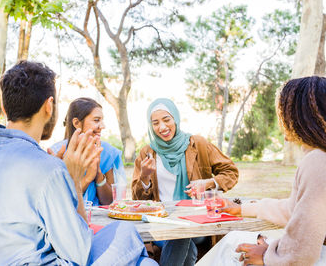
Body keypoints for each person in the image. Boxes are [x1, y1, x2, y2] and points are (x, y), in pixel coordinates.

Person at [0, 61, 157, 266]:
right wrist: (72, 179)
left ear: (4, 107)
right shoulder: (48, 168)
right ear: (49, 106)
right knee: (127, 233)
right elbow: (78, 254)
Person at [218, 76, 326, 266]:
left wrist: (267, 254)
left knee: (230, 246)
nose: (280, 120)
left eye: (282, 112)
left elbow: (302, 253)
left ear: (298, 115)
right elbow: (295, 210)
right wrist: (243, 208)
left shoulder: (317, 161)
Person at [132, 98, 239, 265]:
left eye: (167, 120)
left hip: (197, 220)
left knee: (181, 232)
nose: (162, 127)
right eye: (155, 123)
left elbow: (231, 172)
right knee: (187, 248)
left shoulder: (198, 144)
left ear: (175, 118)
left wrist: (208, 183)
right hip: (161, 222)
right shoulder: (147, 153)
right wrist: (145, 176)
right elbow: (138, 200)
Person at [49, 97, 125, 206]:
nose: (103, 126)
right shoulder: (57, 153)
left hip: (99, 220)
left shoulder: (106, 152)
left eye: (102, 120)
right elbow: (60, 203)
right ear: (76, 123)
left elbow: (110, 202)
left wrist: (98, 175)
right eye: (96, 120)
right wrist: (88, 178)